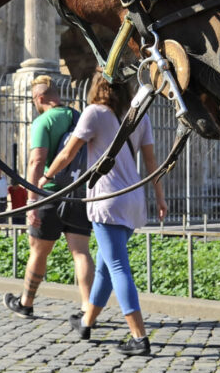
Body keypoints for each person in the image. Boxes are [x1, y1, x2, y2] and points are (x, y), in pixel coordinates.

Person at [41, 71, 167, 356]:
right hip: (133, 199)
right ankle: (86, 322)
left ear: (98, 85)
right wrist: (160, 197)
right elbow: (152, 163)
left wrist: (46, 175)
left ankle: (139, 336)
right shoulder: (140, 117)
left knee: (118, 266)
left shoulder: (94, 113)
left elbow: (68, 153)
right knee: (105, 266)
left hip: (107, 200)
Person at [3, 75, 94, 319]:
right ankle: (88, 309)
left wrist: (32, 202)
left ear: (39, 98)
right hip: (77, 194)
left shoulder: (43, 121)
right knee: (81, 252)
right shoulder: (79, 117)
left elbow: (37, 161)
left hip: (50, 193)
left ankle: (26, 302)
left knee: (38, 251)